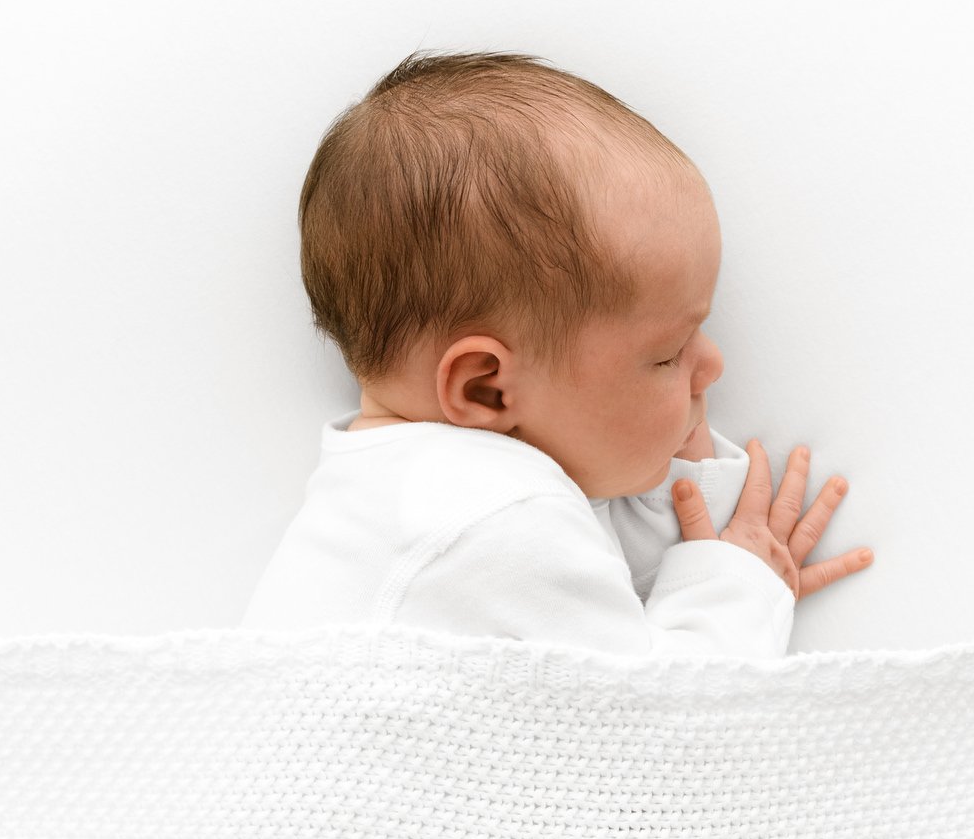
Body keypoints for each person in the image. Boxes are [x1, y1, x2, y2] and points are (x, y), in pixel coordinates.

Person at [239, 50, 874, 657]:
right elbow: (666, 713)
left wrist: (690, 483)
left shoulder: (411, 490)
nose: (712, 367)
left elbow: (603, 582)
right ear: (485, 387)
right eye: (667, 354)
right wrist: (742, 584)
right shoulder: (498, 515)